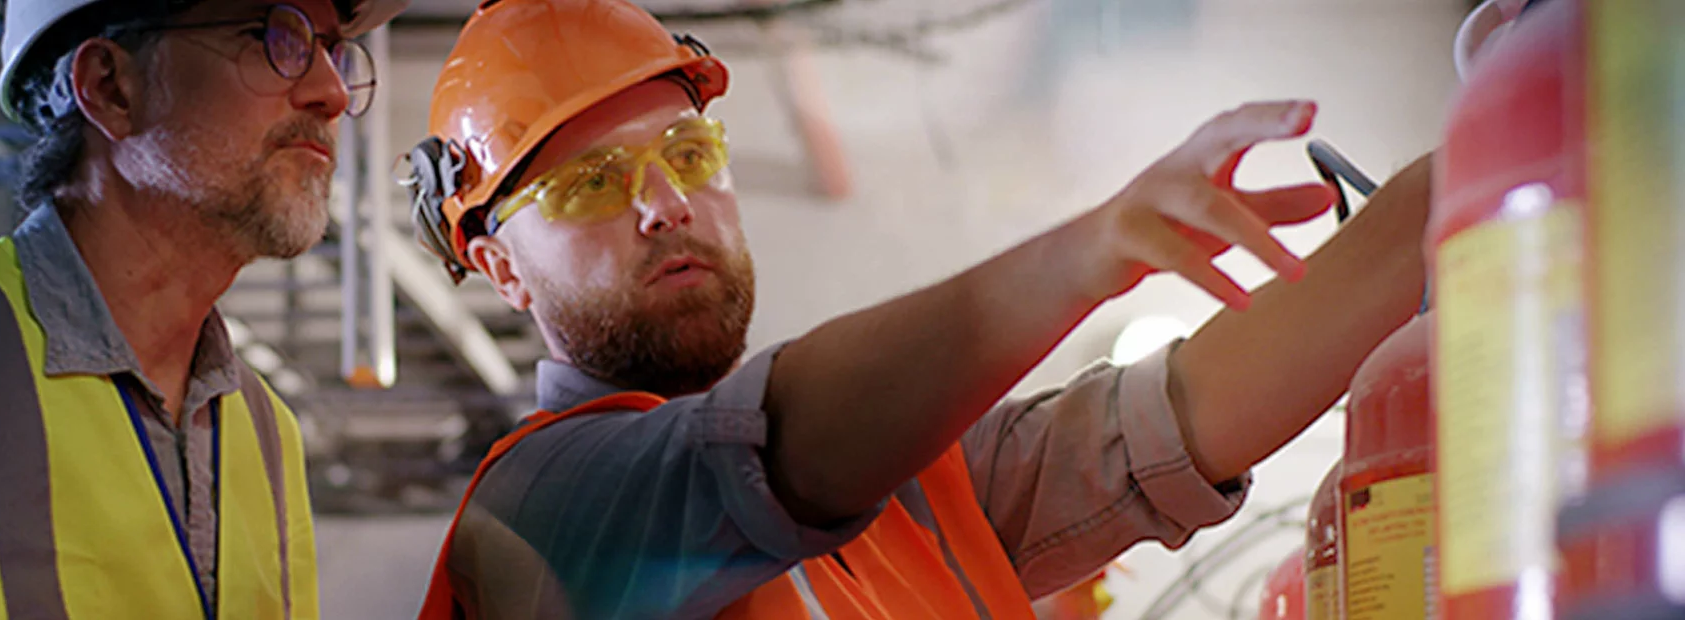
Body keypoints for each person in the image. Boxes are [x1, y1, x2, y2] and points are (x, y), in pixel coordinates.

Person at [404, 0, 1436, 618]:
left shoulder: (920, 485)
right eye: (590, 184)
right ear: (501, 269)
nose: (664, 202)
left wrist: (1491, 147)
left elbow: (1176, 416)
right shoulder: (535, 517)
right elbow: (767, 452)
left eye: (687, 154)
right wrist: (1080, 254)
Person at [0, 0, 403, 617]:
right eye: (276, 37)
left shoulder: (265, 431)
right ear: (110, 87)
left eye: (333, 49)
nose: (333, 93)